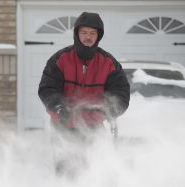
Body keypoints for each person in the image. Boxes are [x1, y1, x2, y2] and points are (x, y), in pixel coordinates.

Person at [38, 12, 130, 176]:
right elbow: (47, 88)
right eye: (84, 33)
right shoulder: (60, 59)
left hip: (93, 127)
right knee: (66, 171)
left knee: (94, 171)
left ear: (98, 36)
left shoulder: (108, 62)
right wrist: (59, 107)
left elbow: (121, 93)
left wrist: (110, 109)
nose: (88, 37)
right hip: (63, 126)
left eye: (92, 33)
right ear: (77, 34)